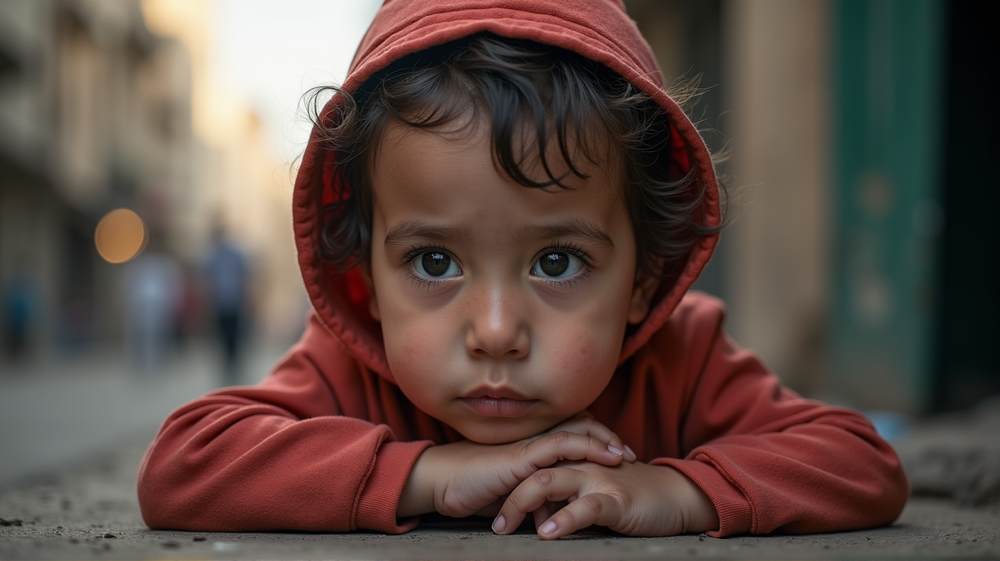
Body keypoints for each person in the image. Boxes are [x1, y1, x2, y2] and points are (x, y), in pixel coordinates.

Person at [137, 0, 908, 538]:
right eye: (434, 260)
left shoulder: (684, 358)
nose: (497, 331)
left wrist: (680, 491)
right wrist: (430, 474)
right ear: (366, 281)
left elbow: (861, 461)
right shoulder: (351, 369)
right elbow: (183, 465)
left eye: (557, 260)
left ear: (642, 281)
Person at [203, 226, 250, 386]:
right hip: (222, 303)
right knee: (225, 337)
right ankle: (229, 366)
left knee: (233, 336)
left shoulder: (230, 255)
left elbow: (244, 276)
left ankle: (233, 365)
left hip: (232, 301)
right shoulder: (213, 257)